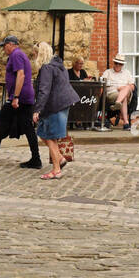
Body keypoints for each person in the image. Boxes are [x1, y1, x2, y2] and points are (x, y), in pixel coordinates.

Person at [0, 34, 42, 169]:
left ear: (11, 44)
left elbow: (21, 75)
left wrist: (15, 97)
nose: (3, 49)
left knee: (0, 120)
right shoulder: (19, 54)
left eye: (4, 46)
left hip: (20, 97)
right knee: (28, 127)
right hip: (24, 96)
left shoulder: (16, 55)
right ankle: (36, 159)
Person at [32, 46, 80, 180]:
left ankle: (56, 170)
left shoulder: (47, 68)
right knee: (43, 133)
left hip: (56, 105)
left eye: (35, 54)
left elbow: (44, 90)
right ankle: (59, 158)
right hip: (62, 103)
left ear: (41, 53)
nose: (34, 57)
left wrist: (37, 109)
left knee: (50, 136)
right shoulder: (58, 65)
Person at [100, 53, 135, 129]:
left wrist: (123, 88)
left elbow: (132, 86)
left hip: (127, 94)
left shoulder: (127, 73)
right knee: (124, 98)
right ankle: (126, 123)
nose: (118, 65)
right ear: (114, 63)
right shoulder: (107, 72)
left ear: (123, 65)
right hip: (112, 94)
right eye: (116, 63)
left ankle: (118, 102)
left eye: (120, 64)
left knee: (127, 88)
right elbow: (102, 84)